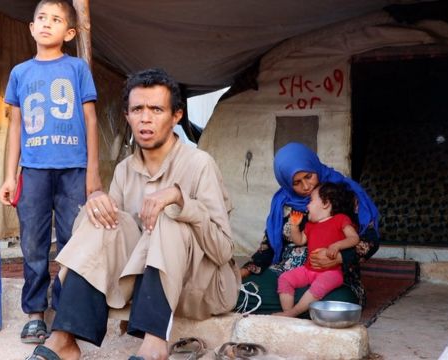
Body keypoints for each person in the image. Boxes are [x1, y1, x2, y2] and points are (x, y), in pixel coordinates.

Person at [25, 68, 240, 360]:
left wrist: (179, 200)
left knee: (170, 217)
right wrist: (96, 204)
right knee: (100, 217)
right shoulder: (125, 169)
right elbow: (108, 240)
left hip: (199, 286)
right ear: (127, 116)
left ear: (176, 116)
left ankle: (154, 344)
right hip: (140, 285)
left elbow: (223, 249)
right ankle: (63, 339)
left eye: (156, 109)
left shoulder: (199, 164)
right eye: (137, 109)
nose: (146, 118)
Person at [0, 0, 101, 344]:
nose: (46, 24)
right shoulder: (20, 73)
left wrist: (93, 173)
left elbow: (90, 120)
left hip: (74, 169)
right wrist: (10, 175)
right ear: (31, 27)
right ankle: (35, 314)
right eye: (41, 18)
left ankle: (66, 313)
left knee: (74, 242)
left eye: (55, 20)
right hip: (34, 171)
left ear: (69, 33)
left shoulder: (77, 68)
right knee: (33, 243)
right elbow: (15, 126)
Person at [236, 142, 379, 314]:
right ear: (287, 182)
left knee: (340, 303)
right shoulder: (282, 204)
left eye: (309, 176)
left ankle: (290, 309)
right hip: (287, 272)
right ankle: (299, 309)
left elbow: (370, 240)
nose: (305, 186)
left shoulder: (340, 194)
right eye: (296, 182)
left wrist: (340, 257)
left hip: (333, 273)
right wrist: (242, 272)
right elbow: (267, 249)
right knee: (238, 296)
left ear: (314, 167)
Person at [275, 182, 360, 317]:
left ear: (325, 203)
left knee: (318, 287)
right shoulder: (310, 225)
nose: (307, 206)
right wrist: (295, 227)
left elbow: (354, 238)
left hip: (331, 272)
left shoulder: (340, 219)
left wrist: (337, 245)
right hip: (308, 269)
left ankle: (294, 312)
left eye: (311, 200)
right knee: (285, 278)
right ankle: (287, 312)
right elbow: (300, 241)